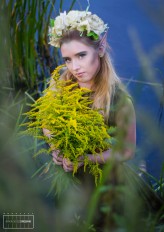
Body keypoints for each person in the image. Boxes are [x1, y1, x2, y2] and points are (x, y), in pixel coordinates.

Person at [42, 10, 163, 231]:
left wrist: (85, 159)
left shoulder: (118, 99)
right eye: (67, 59)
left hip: (104, 173)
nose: (74, 67)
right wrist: (55, 148)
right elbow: (46, 123)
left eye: (81, 55)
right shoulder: (61, 85)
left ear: (100, 48)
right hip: (69, 170)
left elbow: (126, 151)